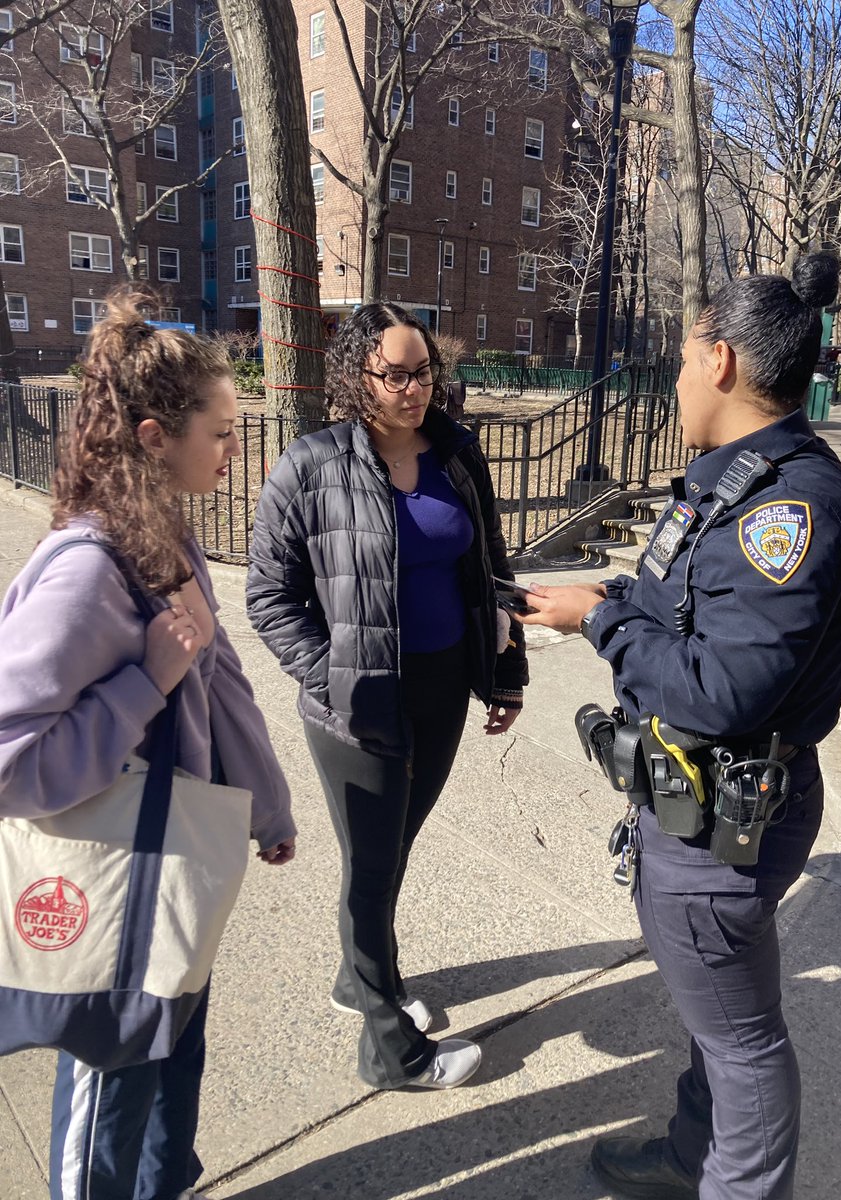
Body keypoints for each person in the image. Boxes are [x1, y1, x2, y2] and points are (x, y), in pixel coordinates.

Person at [518, 254, 841, 1199]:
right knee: (718, 1015)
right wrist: (610, 598)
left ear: (718, 361)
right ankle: (691, 1157)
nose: (673, 379)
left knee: (744, 1042)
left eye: (679, 358)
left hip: (723, 825)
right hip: (694, 808)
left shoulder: (787, 510)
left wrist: (598, 622)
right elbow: (688, 613)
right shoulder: (739, 480)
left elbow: (720, 693)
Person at [0, 289, 297, 1200]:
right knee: (110, 1090)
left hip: (174, 870)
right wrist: (144, 682)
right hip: (112, 886)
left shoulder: (162, 537)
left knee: (174, 1072)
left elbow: (221, 685)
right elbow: (11, 762)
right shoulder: (89, 568)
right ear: (152, 434)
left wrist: (268, 803)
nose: (236, 448)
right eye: (222, 429)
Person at [246, 302, 528, 1090]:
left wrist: (505, 674)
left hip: (442, 685)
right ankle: (388, 1050)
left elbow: (491, 572)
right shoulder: (312, 464)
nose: (413, 389)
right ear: (355, 375)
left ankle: (361, 980)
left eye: (424, 372)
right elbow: (270, 596)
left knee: (393, 846)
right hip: (358, 700)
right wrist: (329, 674)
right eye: (394, 374)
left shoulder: (456, 456)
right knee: (372, 862)